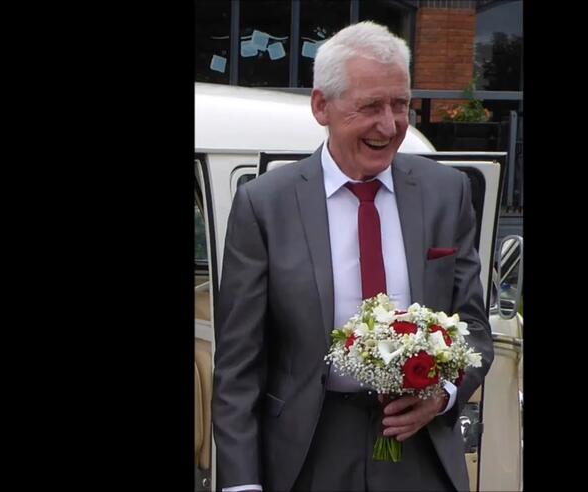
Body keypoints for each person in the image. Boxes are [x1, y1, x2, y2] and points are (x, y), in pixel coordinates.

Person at [212, 21, 494, 492]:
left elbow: (475, 330)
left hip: (420, 451)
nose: (389, 125)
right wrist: (242, 484)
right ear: (322, 106)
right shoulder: (265, 205)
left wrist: (442, 396)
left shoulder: (446, 193)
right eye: (370, 107)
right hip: (307, 451)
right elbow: (239, 365)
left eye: (400, 105)